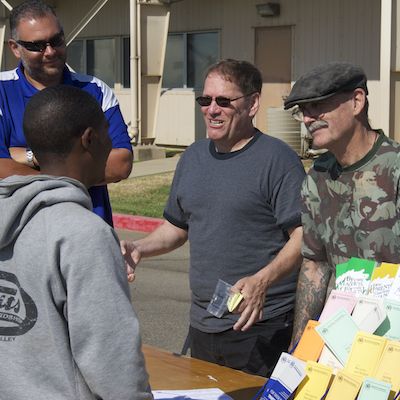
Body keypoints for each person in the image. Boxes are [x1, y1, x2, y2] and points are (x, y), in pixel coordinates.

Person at [121, 59, 305, 377]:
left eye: (223, 101)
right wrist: (141, 248)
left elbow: (303, 236)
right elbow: (177, 228)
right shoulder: (192, 157)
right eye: (205, 100)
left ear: (252, 104)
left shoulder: (279, 161)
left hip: (261, 325)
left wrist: (263, 280)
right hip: (203, 323)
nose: (212, 109)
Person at [0, 85, 152, 400]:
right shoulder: (84, 233)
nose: (112, 143)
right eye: (107, 134)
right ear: (89, 139)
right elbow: (111, 359)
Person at [283, 61, 400, 345]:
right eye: (304, 111)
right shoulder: (317, 177)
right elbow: (315, 266)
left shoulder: (394, 168)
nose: (309, 118)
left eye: (318, 106)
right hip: (340, 338)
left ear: (357, 101)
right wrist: (299, 349)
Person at [0, 0, 133, 226]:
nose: (50, 51)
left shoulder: (95, 90)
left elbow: (120, 163)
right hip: (22, 238)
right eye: (37, 45)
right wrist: (78, 166)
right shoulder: (3, 91)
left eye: (57, 40)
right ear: (15, 47)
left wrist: (30, 157)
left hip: (89, 228)